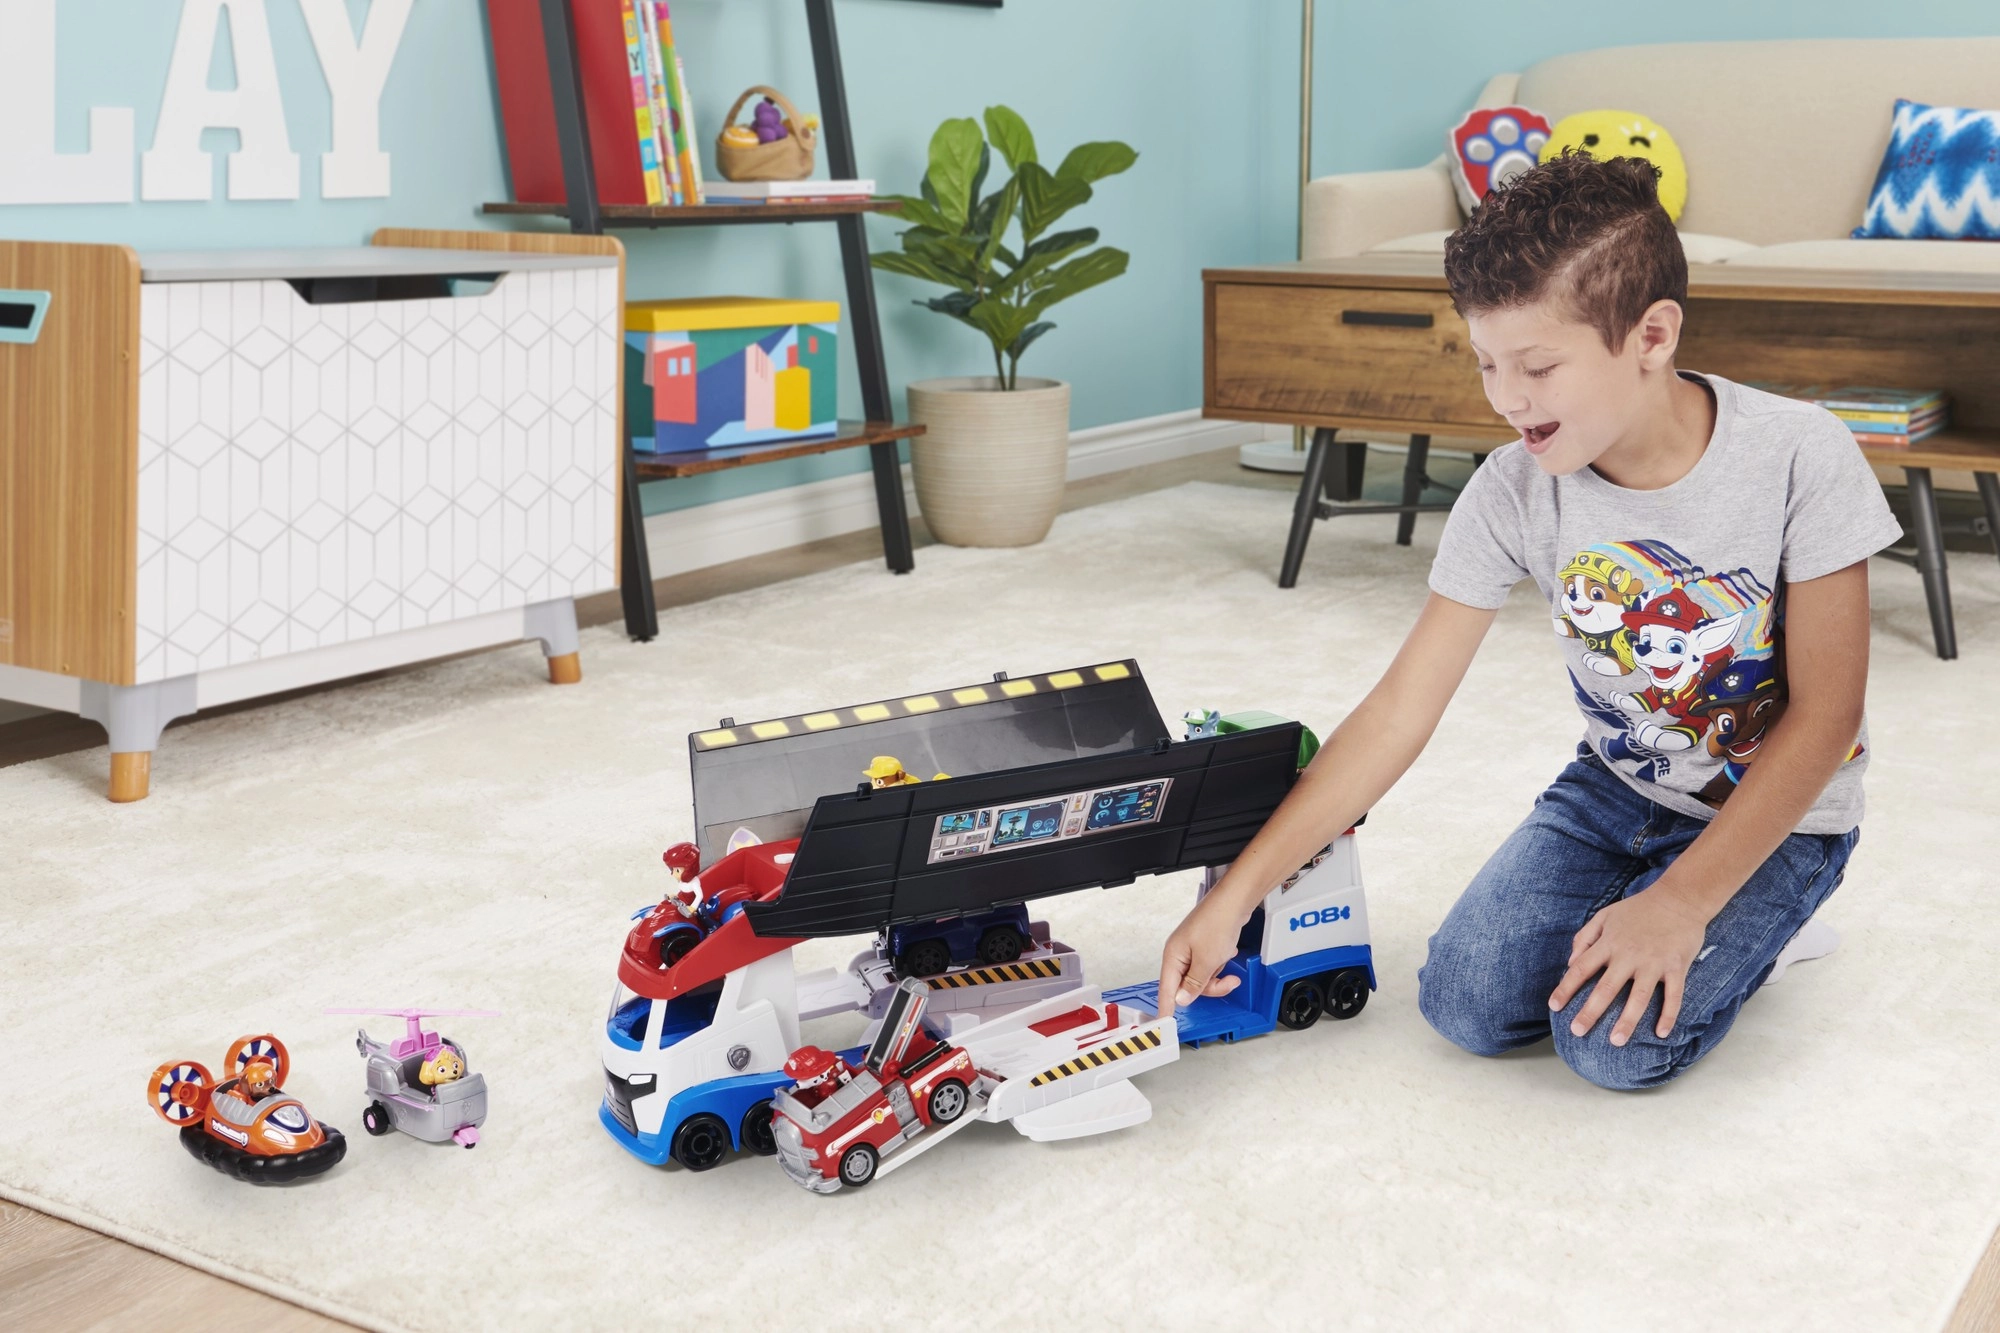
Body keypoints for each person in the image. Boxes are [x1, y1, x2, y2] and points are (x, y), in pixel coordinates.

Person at [1156, 152, 1900, 1091]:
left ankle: (1772, 925)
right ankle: (1662, 900)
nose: (1507, 398)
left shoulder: (1799, 455)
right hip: (1620, 789)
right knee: (1464, 1004)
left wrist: (1684, 903)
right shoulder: (1511, 490)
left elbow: (1828, 716)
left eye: (1539, 366)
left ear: (1653, 335)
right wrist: (1235, 897)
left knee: (1614, 1050)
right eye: (1486, 363)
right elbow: (1397, 712)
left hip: (1785, 815)